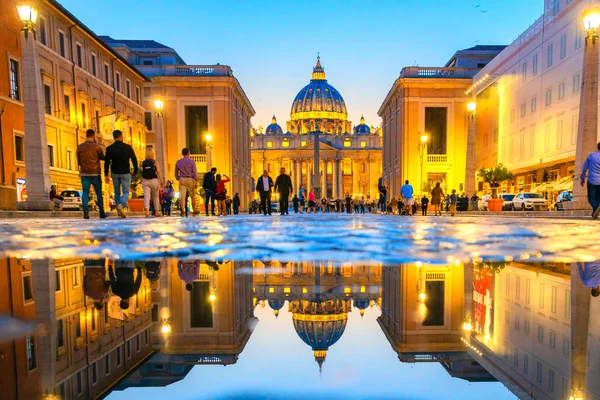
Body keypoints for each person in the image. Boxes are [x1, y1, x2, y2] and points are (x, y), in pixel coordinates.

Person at [104, 130, 137, 218]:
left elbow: (106, 162)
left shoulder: (109, 148)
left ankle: (119, 210)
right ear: (121, 136)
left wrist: (106, 174)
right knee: (126, 191)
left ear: (114, 137)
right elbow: (134, 159)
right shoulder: (128, 147)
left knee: (117, 192)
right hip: (125, 172)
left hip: (115, 173)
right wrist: (136, 171)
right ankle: (121, 205)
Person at [77, 129, 107, 219]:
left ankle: (86, 212)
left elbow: (79, 161)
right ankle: (101, 212)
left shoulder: (80, 147)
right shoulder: (97, 147)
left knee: (85, 193)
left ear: (86, 135)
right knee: (98, 193)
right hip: (95, 173)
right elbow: (102, 157)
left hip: (84, 173)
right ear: (93, 136)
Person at [175, 148, 199, 217]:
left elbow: (176, 173)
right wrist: (196, 180)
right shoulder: (192, 162)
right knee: (192, 196)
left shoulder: (178, 162)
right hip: (190, 179)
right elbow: (195, 173)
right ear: (189, 153)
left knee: (182, 196)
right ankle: (194, 210)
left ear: (182, 154)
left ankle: (182, 210)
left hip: (182, 179)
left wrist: (178, 178)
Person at [141, 147, 163, 218]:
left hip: (145, 181)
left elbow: (142, 171)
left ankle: (147, 211)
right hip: (154, 180)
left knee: (146, 196)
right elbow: (158, 172)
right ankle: (157, 212)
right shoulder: (154, 162)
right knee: (156, 197)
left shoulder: (143, 163)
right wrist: (161, 181)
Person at [581, 142, 600, 219]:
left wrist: (582, 178)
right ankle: (595, 212)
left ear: (597, 147)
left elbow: (584, 168)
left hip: (592, 181)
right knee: (598, 198)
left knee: (591, 198)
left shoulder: (591, 156)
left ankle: (596, 207)